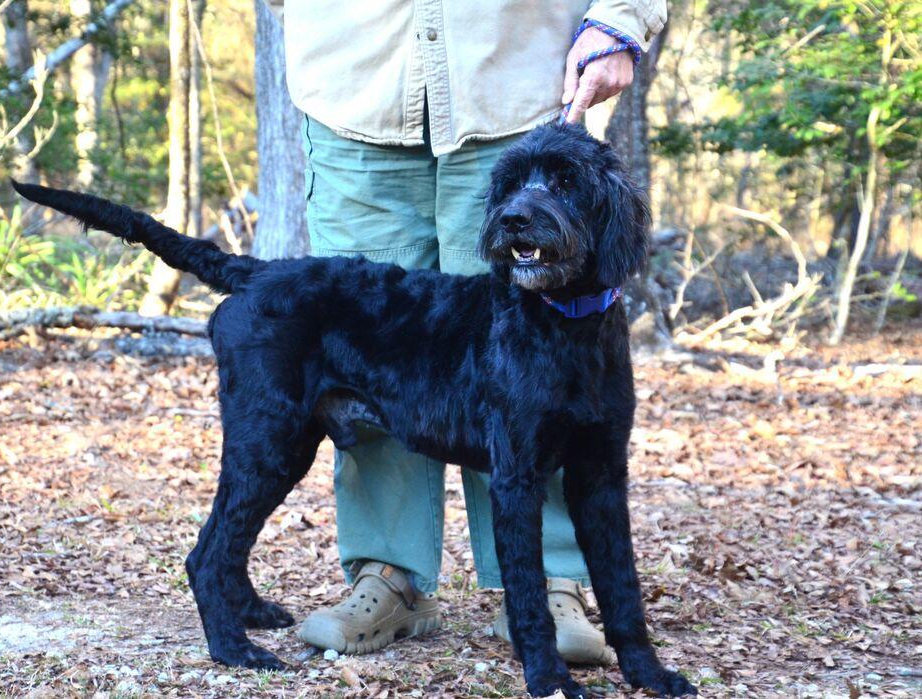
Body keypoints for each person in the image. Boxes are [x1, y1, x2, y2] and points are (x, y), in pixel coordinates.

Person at [280, 0, 667, 663]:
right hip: (352, 85)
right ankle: (389, 575)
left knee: (538, 359)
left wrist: (622, 18)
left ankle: (549, 581)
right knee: (373, 356)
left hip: (518, 86)